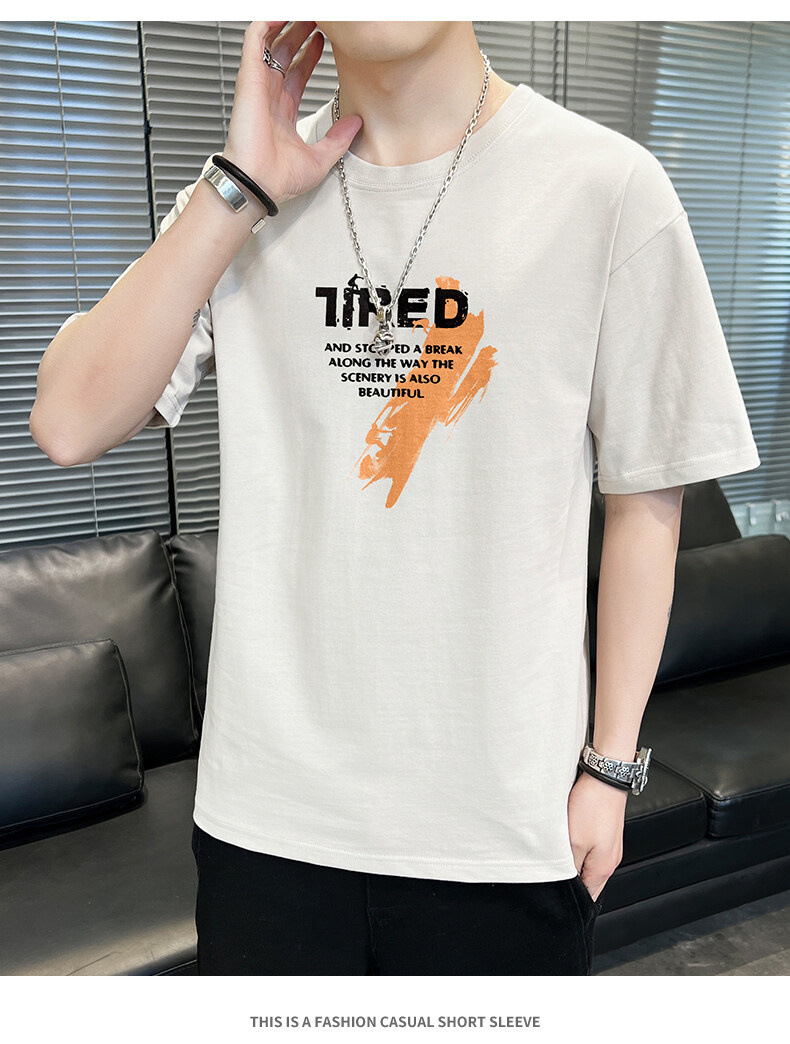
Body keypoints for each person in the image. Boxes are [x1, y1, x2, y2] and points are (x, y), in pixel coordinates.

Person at [32, 20, 760, 975]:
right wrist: (239, 187)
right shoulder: (239, 199)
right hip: (268, 827)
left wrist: (610, 769)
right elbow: (68, 423)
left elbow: (645, 502)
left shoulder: (606, 187)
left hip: (505, 827)